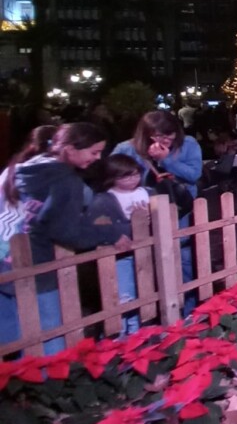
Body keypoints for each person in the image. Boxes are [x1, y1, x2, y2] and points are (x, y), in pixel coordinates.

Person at [7, 123, 124, 354]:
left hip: (6, 260)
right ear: (70, 149)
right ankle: (51, 387)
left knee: (14, 341)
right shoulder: (65, 181)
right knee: (50, 339)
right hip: (38, 265)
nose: (98, 158)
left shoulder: (24, 168)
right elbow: (67, 231)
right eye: (94, 152)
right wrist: (110, 234)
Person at [111, 111, 204, 312]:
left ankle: (189, 309)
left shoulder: (188, 144)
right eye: (159, 136)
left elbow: (194, 174)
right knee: (144, 261)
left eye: (169, 136)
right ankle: (151, 311)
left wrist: (167, 160)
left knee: (183, 257)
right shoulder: (126, 149)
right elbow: (110, 177)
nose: (165, 140)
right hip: (140, 216)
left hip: (180, 209)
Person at [0, 125, 58, 347]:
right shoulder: (45, 175)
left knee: (10, 321)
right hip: (25, 251)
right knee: (44, 320)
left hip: (4, 246)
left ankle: (13, 373)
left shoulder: (11, 170)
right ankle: (44, 374)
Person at [85, 155, 150, 336]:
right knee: (123, 296)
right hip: (119, 257)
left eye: (136, 174)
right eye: (126, 176)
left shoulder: (146, 192)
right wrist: (130, 226)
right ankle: (119, 336)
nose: (132, 179)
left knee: (142, 294)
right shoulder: (104, 200)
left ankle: (138, 332)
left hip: (144, 253)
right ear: (112, 177)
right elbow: (98, 227)